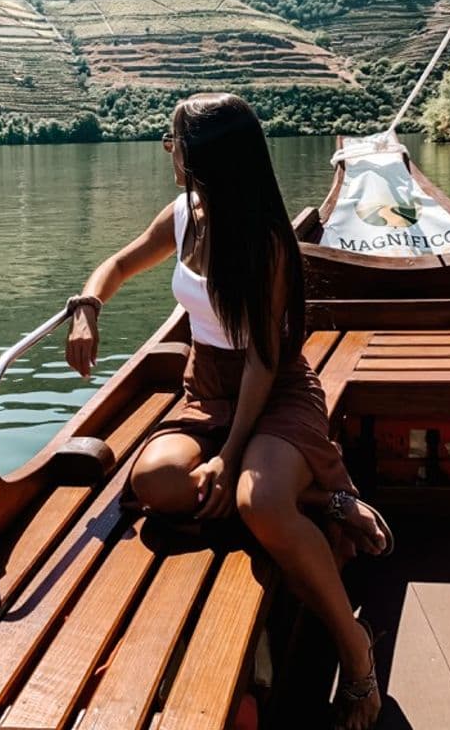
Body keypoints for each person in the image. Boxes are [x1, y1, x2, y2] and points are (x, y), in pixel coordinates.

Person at [65, 92, 390, 730]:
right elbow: (119, 263)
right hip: (206, 385)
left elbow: (266, 365)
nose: (167, 152)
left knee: (253, 501)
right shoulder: (183, 216)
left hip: (272, 391)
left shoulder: (265, 241)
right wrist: (87, 306)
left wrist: (227, 454)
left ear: (204, 156)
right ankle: (322, 501)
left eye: (173, 142)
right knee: (155, 483)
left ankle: (357, 653)